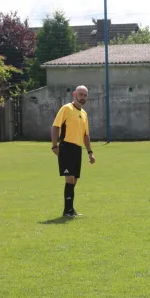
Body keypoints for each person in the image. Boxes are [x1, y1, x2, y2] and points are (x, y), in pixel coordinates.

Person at [51, 85, 96, 217]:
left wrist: (90, 152)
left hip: (77, 149)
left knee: (74, 180)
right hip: (66, 148)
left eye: (85, 95)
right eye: (81, 94)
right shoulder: (66, 108)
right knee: (69, 179)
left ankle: (70, 209)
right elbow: (55, 127)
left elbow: (86, 135)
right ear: (74, 94)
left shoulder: (84, 114)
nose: (82, 97)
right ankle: (67, 211)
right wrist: (54, 146)